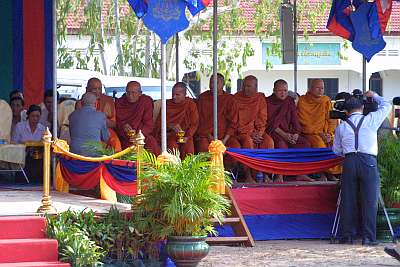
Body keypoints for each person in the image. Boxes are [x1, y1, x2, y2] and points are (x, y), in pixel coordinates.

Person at [332, 91, 391, 246]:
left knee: (348, 199)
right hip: (368, 161)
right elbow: (387, 105)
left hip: (350, 161)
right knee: (370, 200)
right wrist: (375, 95)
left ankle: (347, 236)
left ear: (346, 111)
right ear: (363, 108)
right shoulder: (371, 119)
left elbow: (336, 150)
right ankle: (368, 237)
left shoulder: (342, 127)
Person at [266, 79, 312, 182]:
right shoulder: (268, 102)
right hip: (275, 132)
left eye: (285, 91)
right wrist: (284, 135)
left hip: (289, 132)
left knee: (305, 144)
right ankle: (280, 175)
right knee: (281, 144)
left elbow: (295, 119)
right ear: (274, 90)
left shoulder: (289, 101)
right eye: (280, 91)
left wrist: (296, 133)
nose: (283, 93)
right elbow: (270, 123)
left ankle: (300, 173)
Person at [234, 75, 274, 182]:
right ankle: (248, 175)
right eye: (245, 86)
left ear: (256, 87)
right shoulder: (236, 98)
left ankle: (265, 174)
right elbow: (236, 121)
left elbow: (263, 117)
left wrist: (260, 133)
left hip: (257, 131)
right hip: (241, 132)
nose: (246, 89)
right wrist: (250, 133)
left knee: (268, 142)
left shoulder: (260, 98)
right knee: (248, 142)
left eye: (249, 86)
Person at [297, 78, 339, 181]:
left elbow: (332, 119)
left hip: (325, 133)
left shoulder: (326, 100)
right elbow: (304, 121)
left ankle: (333, 173)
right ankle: (322, 173)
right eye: (317, 88)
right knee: (319, 144)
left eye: (322, 88)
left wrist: (330, 134)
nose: (320, 90)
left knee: (337, 144)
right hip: (310, 133)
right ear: (310, 88)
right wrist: (320, 133)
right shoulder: (303, 101)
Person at [196, 73, 239, 152]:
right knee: (204, 147)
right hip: (206, 135)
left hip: (225, 136)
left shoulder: (230, 100)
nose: (212, 85)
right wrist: (209, 136)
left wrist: (224, 141)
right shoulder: (203, 98)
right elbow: (199, 120)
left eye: (216, 83)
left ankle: (231, 165)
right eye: (211, 82)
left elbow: (233, 122)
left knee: (235, 147)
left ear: (223, 84)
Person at [76, 78, 122, 152]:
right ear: (87, 89)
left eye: (99, 89)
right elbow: (81, 123)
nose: (97, 92)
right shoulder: (81, 103)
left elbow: (114, 124)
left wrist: (101, 121)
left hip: (106, 130)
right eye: (94, 89)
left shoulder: (108, 101)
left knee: (115, 141)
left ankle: (114, 161)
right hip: (88, 132)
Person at [154, 82, 198, 158]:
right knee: (172, 145)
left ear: (184, 94)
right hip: (169, 135)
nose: (174, 97)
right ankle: (174, 167)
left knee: (189, 146)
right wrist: (170, 126)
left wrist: (187, 137)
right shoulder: (167, 104)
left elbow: (194, 123)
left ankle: (188, 168)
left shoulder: (190, 104)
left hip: (185, 134)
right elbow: (158, 123)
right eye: (173, 94)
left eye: (177, 95)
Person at [115, 81, 160, 155]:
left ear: (140, 93)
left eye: (133, 93)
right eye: (128, 92)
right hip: (125, 136)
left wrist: (140, 135)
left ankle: (156, 165)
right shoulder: (120, 103)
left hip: (142, 135)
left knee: (152, 142)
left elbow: (149, 124)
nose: (130, 95)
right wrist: (123, 126)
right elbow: (117, 122)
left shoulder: (145, 101)